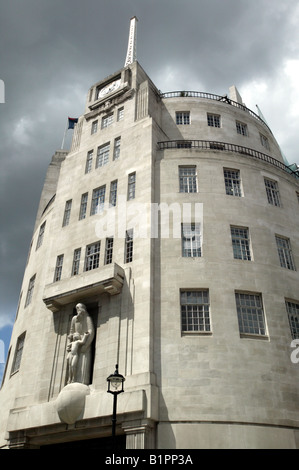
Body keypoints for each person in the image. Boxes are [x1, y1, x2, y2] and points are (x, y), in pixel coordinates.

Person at [66, 303, 95, 385]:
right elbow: (71, 331)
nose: (78, 310)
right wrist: (71, 338)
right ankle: (71, 380)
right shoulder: (74, 319)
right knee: (70, 365)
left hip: (84, 344)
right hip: (75, 344)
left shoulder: (87, 318)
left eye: (79, 308)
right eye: (76, 309)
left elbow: (91, 331)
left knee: (81, 365)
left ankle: (81, 382)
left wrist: (86, 344)